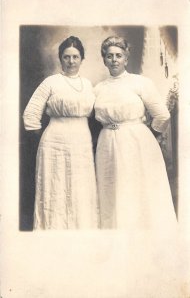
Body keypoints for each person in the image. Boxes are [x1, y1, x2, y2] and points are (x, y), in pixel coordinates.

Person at [94, 36, 177, 232]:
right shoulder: (98, 88)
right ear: (104, 60)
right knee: (111, 192)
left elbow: (162, 115)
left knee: (136, 192)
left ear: (126, 58)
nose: (114, 59)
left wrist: (149, 136)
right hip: (106, 144)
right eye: (109, 56)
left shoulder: (140, 83)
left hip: (136, 143)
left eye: (118, 55)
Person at [23, 36, 99, 230]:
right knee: (55, 188)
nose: (71, 61)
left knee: (79, 189)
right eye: (66, 57)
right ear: (60, 58)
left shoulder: (88, 85)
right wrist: (46, 141)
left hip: (82, 142)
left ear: (82, 58)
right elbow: (30, 115)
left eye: (75, 57)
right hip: (54, 144)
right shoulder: (51, 82)